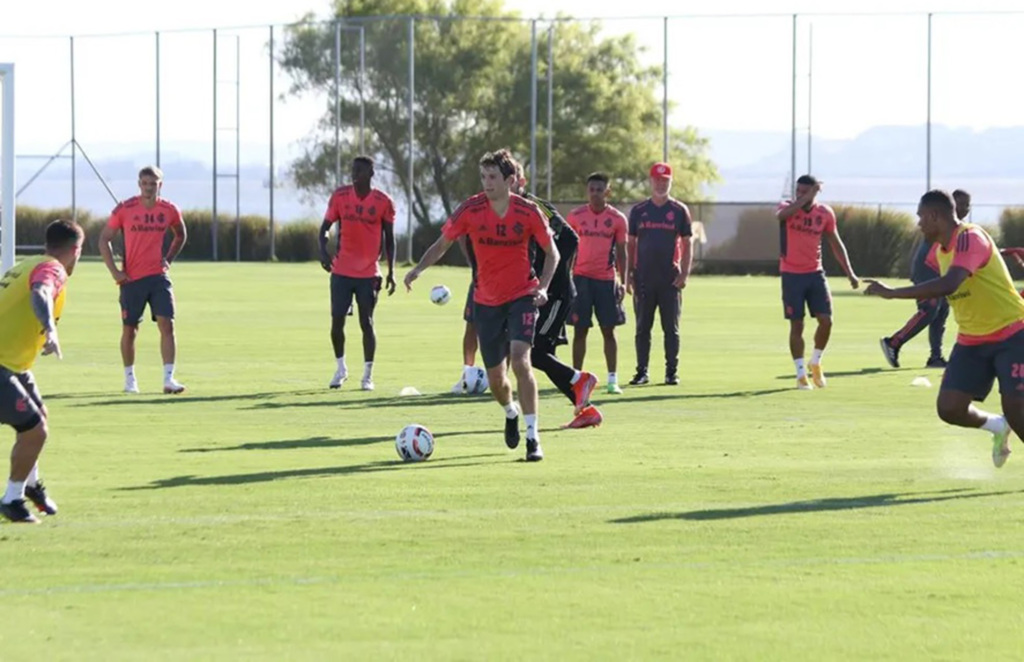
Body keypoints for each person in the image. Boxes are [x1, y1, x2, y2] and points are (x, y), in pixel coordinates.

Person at [405, 149, 560, 461]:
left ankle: (533, 437)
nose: (487, 183)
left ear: (510, 180)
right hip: (485, 301)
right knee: (496, 381)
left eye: (493, 177)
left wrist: (542, 287)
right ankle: (511, 411)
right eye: (484, 177)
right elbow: (443, 243)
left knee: (521, 361)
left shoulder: (529, 212)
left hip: (522, 296)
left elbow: (552, 253)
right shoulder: (470, 209)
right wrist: (418, 268)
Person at [865, 189, 1024, 468]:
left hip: (1012, 333)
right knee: (949, 408)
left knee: (1017, 408)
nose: (918, 224)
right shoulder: (939, 252)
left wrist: (893, 293)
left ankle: (1010, 419)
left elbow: (950, 283)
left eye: (920, 217)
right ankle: (998, 427)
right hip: (972, 340)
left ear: (934, 216)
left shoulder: (969, 236)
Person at [0, 220, 84, 522]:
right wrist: (50, 329)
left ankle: (30, 484)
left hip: (14, 364)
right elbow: (41, 292)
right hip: (2, 365)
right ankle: (12, 498)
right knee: (35, 431)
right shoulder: (52, 269)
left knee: (39, 418)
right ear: (75, 250)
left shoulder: (30, 262)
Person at [508, 161, 601, 430]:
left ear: (519, 182)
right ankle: (586, 410)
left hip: (554, 293)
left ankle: (580, 378)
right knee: (541, 356)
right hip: (542, 293)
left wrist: (548, 279)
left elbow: (570, 238)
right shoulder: (511, 210)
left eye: (512, 179)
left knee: (531, 352)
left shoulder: (535, 206)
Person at [99, 166, 188, 395]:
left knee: (167, 325)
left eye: (154, 183)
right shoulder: (125, 209)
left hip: (158, 278)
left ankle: (169, 379)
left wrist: (169, 259)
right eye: (145, 183)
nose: (149, 187)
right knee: (130, 330)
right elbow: (104, 239)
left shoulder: (169, 209)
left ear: (161, 185)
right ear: (139, 184)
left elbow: (181, 234)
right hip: (132, 280)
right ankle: (130, 379)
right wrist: (115, 273)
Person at [319, 156, 397, 391]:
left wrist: (391, 271)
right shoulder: (340, 197)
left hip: (369, 274)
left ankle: (367, 375)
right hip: (341, 271)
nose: (354, 175)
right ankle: (341, 368)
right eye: (353, 170)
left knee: (367, 322)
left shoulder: (383, 201)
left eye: (360, 171)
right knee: (336, 323)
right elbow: (325, 228)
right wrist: (323, 250)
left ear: (371, 174)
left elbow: (390, 239)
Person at [775, 175, 860, 390]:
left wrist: (850, 273)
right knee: (797, 324)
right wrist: (804, 199)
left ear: (815, 192)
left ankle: (816, 361)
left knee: (826, 320)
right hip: (791, 274)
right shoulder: (787, 207)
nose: (800, 195)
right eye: (798, 191)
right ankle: (801, 373)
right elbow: (781, 216)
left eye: (805, 191)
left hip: (815, 273)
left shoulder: (824, 214)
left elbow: (836, 243)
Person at [878, 189, 971, 369]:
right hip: (927, 269)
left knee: (941, 313)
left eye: (967, 205)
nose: (965, 208)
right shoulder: (941, 224)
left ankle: (935, 357)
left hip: (941, 271)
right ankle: (894, 342)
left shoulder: (960, 228)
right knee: (930, 309)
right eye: (961, 204)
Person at [627, 162, 693, 386]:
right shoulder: (638, 211)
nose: (661, 184)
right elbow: (630, 245)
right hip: (644, 279)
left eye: (665, 180)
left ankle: (671, 372)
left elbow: (687, 243)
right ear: (650, 181)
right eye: (657, 180)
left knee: (671, 329)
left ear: (671, 182)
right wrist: (628, 276)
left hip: (669, 279)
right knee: (642, 328)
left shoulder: (679, 211)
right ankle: (641, 371)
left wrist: (684, 274)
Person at [568, 173, 629, 395]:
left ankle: (612, 379)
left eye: (599, 190)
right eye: (592, 189)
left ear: (607, 192)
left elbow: (622, 253)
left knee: (608, 331)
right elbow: (567, 250)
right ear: (587, 191)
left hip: (606, 281)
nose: (595, 193)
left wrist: (623, 282)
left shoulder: (617, 219)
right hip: (581, 279)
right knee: (580, 330)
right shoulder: (575, 216)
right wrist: (566, 279)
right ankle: (575, 378)